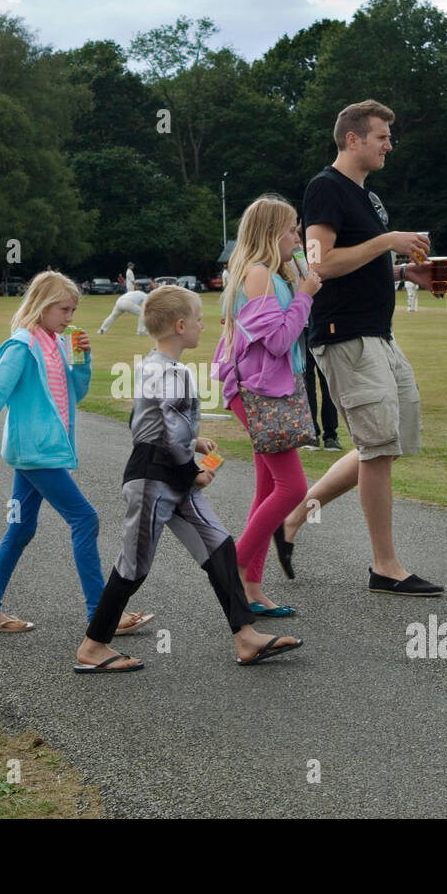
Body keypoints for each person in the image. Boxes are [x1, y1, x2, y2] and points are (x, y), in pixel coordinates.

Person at [74, 286, 303, 671]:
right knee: (134, 565)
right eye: (197, 318)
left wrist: (193, 442)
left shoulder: (160, 368)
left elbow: (145, 421)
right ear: (180, 325)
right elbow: (159, 435)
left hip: (172, 478)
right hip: (153, 481)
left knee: (219, 547)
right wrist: (192, 471)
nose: (203, 324)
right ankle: (93, 647)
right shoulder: (165, 371)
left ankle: (246, 638)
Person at [288, 98, 442, 597]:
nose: (388, 145)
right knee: (377, 446)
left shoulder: (369, 199)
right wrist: (387, 242)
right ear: (352, 139)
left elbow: (360, 263)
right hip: (344, 335)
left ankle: (291, 519)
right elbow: (321, 265)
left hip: (379, 333)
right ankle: (385, 566)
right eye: (381, 136)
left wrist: (402, 270)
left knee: (386, 440)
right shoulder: (324, 189)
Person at [0, 270, 151, 636]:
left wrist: (83, 362)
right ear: (42, 306)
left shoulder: (56, 344)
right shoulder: (21, 347)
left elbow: (75, 393)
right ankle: (101, 614)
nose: (70, 318)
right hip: (35, 453)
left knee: (21, 527)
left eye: (73, 310)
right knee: (85, 519)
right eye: (64, 310)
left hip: (40, 453)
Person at [211, 195, 321, 617]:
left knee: (266, 487)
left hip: (269, 390)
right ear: (272, 233)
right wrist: (305, 295)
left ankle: (251, 587)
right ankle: (232, 569)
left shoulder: (272, 274)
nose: (297, 236)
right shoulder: (257, 275)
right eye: (292, 229)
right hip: (258, 391)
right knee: (292, 488)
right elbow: (277, 341)